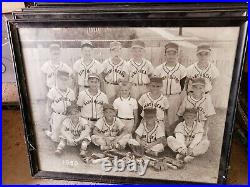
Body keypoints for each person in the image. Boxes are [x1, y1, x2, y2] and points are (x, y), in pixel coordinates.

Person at [154, 42, 186, 130]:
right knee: (159, 117)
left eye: (174, 53)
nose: (171, 56)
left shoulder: (182, 69)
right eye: (168, 53)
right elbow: (155, 85)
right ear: (165, 54)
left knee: (173, 118)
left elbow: (182, 86)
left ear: (177, 54)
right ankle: (158, 134)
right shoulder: (159, 69)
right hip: (161, 95)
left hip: (174, 97)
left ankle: (173, 135)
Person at [45, 70, 75, 142]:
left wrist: (73, 116)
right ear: (57, 79)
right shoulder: (53, 90)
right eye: (61, 79)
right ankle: (50, 133)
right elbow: (48, 105)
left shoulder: (71, 92)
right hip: (57, 116)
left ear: (68, 80)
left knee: (69, 138)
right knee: (56, 139)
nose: (63, 81)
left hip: (68, 116)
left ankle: (51, 133)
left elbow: (73, 105)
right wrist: (48, 116)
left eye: (65, 79)